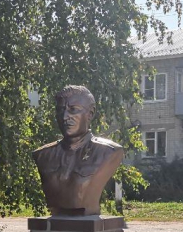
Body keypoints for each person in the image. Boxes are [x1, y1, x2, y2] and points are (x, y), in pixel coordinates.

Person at [33, 85, 124, 216]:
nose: (65, 117)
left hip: (87, 218)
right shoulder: (43, 155)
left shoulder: (108, 151)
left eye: (73, 110)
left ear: (90, 114)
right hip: (57, 219)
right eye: (60, 110)